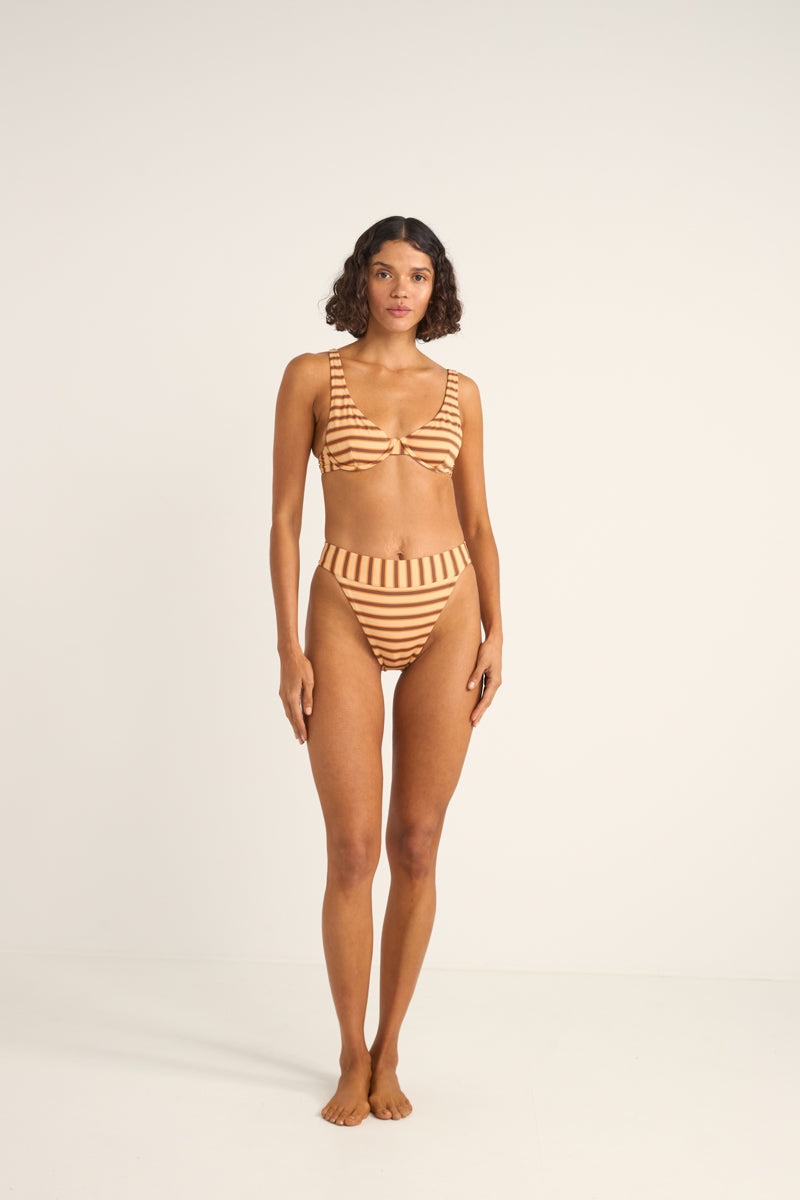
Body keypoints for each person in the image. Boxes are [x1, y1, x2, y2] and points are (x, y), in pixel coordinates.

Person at [269, 215, 502, 1126]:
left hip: (446, 608)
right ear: (359, 282)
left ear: (435, 287)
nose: (400, 289)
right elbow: (285, 519)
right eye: (383, 272)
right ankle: (350, 1052)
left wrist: (497, 631)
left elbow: (478, 522)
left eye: (417, 274)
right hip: (345, 608)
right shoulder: (310, 376)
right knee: (353, 849)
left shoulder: (460, 391)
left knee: (417, 842)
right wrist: (287, 648)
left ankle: (392, 1047)